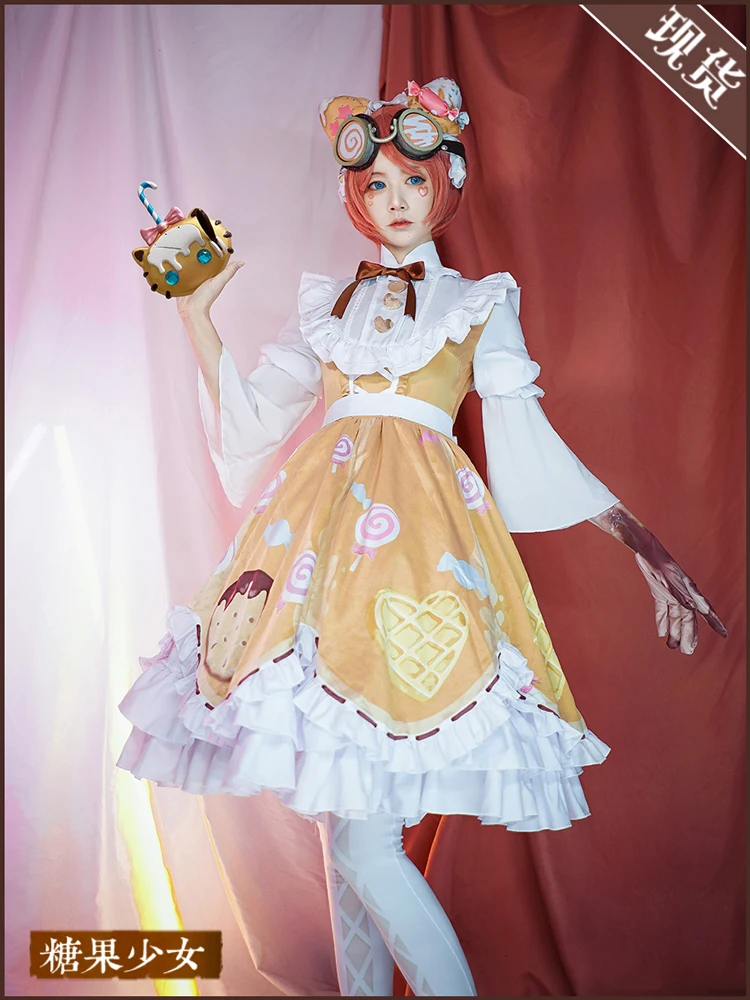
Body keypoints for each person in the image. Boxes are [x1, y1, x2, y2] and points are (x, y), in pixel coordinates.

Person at [117, 78, 727, 997]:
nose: (394, 201)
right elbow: (250, 428)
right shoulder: (327, 306)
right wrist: (196, 317)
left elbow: (525, 442)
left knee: (364, 839)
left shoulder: (476, 302)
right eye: (376, 185)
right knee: (344, 834)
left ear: (447, 183)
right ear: (354, 196)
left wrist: (641, 544)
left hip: (417, 573)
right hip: (312, 563)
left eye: (412, 180)